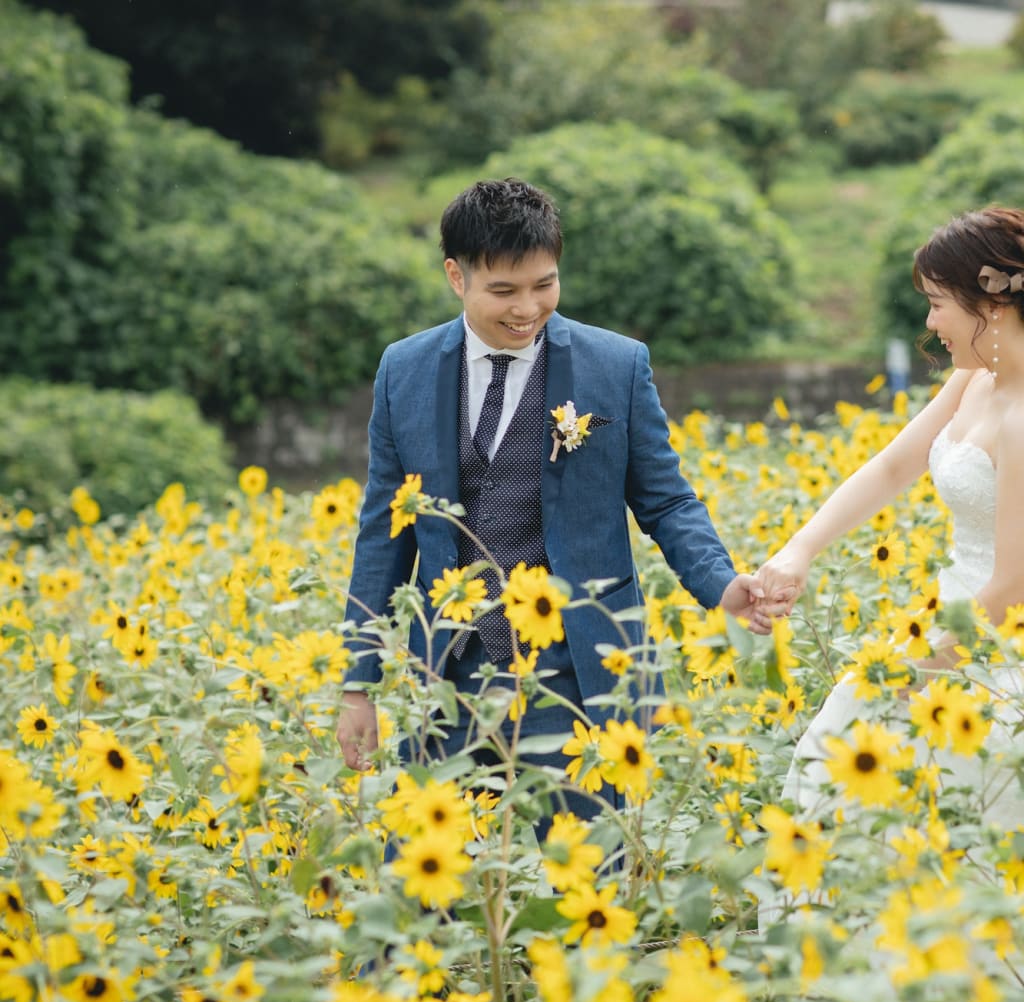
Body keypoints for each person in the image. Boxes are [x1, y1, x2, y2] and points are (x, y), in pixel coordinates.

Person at [335, 177, 776, 822]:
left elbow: (667, 502)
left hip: (582, 675)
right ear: (457, 277)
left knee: (592, 882)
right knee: (423, 889)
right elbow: (384, 532)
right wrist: (358, 681)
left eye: (544, 285)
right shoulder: (403, 369)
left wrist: (719, 582)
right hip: (452, 680)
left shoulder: (616, 365)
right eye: (504, 291)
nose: (527, 308)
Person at [757, 206, 1024, 825]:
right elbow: (890, 468)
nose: (929, 322)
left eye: (937, 303)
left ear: (994, 305)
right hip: (950, 620)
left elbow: (1012, 589)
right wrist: (797, 551)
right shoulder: (975, 380)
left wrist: (914, 672)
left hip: (996, 652)